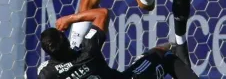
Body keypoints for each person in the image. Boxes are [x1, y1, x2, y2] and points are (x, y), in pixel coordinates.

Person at [38, 8, 200, 79]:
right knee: (164, 55)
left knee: (148, 57)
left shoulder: (47, 73)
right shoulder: (88, 52)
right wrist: (69, 19)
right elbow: (102, 14)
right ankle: (171, 47)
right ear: (65, 38)